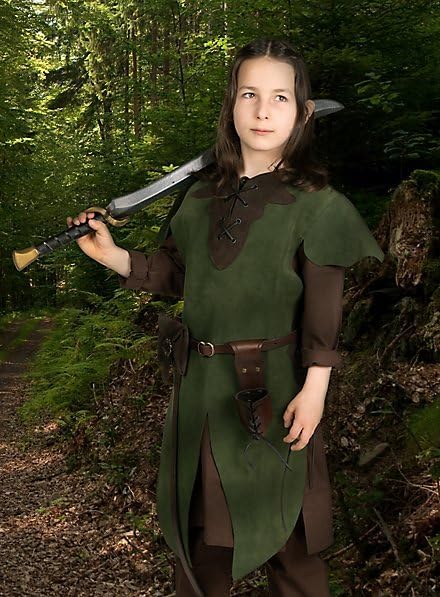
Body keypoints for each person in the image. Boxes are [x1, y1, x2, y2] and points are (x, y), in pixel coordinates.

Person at [68, 38, 384, 596]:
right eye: (249, 94)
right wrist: (113, 256)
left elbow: (323, 309)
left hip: (277, 391)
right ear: (231, 105)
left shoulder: (320, 205)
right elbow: (177, 275)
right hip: (201, 396)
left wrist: (316, 389)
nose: (263, 111)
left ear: (302, 112)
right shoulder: (197, 199)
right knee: (201, 549)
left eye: (280, 97)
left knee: (292, 544)